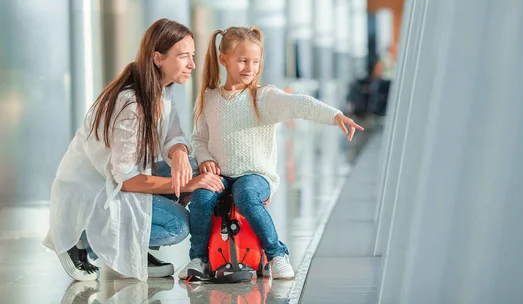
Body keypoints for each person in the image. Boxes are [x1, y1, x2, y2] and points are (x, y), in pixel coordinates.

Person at [43, 18, 224, 281]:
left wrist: (180, 154)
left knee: (195, 167)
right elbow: (126, 180)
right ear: (158, 59)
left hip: (120, 181)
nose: (192, 65)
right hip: (96, 194)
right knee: (177, 225)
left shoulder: (162, 89)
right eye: (184, 56)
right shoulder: (131, 104)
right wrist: (188, 185)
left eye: (192, 56)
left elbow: (173, 134)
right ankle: (82, 238)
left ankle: (132, 243)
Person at [177, 26, 363, 280]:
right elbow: (199, 138)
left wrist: (335, 115)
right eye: (242, 60)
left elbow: (300, 104)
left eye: (255, 62)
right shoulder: (209, 98)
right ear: (223, 60)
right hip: (220, 174)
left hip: (255, 175)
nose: (249, 68)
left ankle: (276, 254)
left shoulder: (263, 97)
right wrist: (205, 158)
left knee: (246, 195)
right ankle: (198, 259)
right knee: (201, 198)